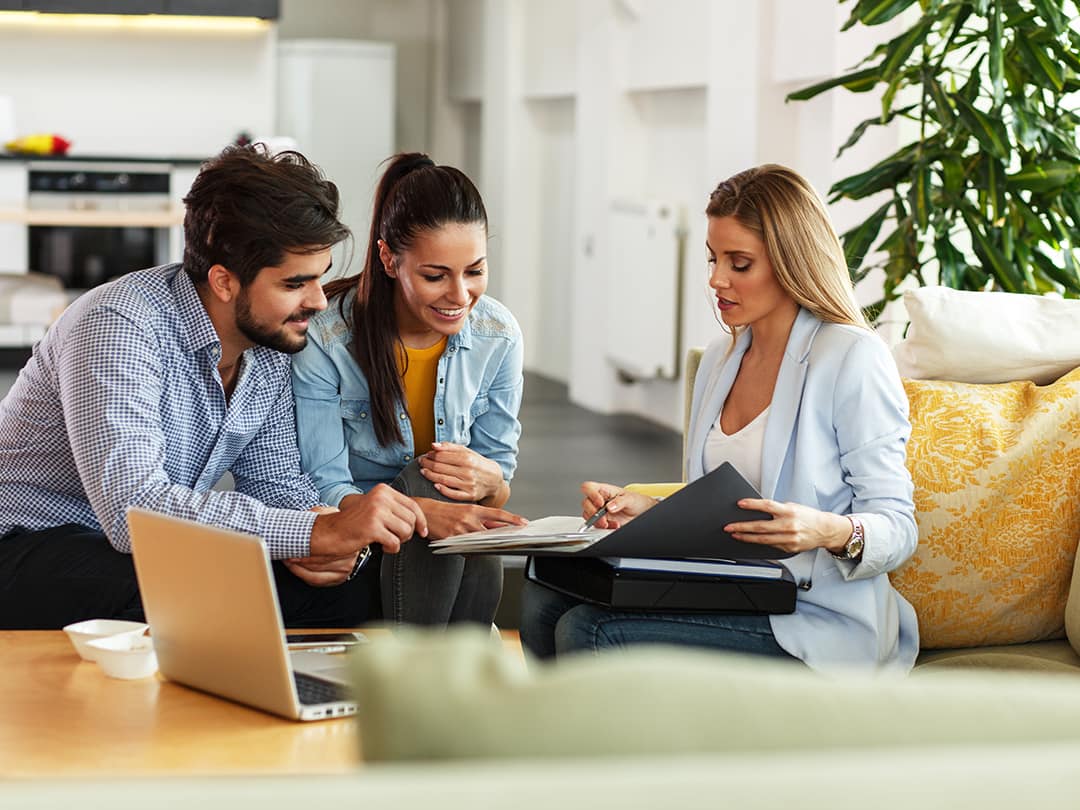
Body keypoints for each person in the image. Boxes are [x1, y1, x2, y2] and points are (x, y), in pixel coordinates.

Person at [0, 144, 427, 630]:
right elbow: (133, 510)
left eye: (319, 280)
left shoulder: (268, 348)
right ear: (224, 282)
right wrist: (312, 532)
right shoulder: (118, 324)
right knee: (179, 586)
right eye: (294, 284)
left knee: (350, 592)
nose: (318, 302)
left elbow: (276, 483)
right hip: (26, 543)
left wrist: (326, 539)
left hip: (139, 552)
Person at [520, 164, 919, 673]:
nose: (715, 279)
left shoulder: (851, 358)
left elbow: (899, 527)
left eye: (739, 263)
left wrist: (825, 531)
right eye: (713, 258)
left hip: (814, 616)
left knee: (588, 629)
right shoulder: (719, 359)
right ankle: (557, 751)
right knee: (542, 599)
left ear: (790, 262)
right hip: (732, 592)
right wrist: (650, 511)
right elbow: (722, 506)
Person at [291, 152, 525, 627]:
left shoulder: (499, 335)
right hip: (362, 541)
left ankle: (444, 669)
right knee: (429, 478)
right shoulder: (327, 337)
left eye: (475, 271)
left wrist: (490, 482)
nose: (460, 296)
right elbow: (324, 483)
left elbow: (498, 484)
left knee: (456, 485)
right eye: (435, 276)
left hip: (447, 554)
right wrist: (423, 510)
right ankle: (453, 664)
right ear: (389, 259)